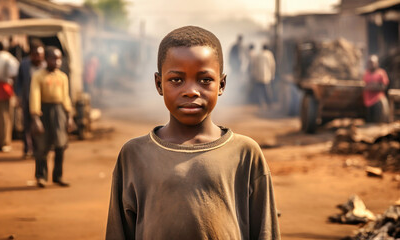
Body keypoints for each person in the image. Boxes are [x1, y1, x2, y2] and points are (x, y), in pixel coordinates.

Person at [106, 26, 281, 239]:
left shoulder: (246, 153)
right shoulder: (134, 154)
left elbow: (265, 231)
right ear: (159, 84)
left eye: (205, 80)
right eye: (176, 80)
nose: (191, 91)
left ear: (222, 84)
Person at [29, 46, 74, 188]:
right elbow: (34, 96)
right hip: (43, 112)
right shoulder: (38, 76)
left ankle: (58, 176)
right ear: (46, 59)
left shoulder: (62, 77)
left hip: (59, 112)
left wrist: (69, 116)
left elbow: (66, 97)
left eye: (59, 59)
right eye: (54, 58)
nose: (57, 62)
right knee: (42, 147)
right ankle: (41, 176)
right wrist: (36, 118)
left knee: (60, 145)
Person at [15, 39, 46, 159]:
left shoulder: (45, 66)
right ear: (31, 54)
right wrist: (18, 97)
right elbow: (19, 82)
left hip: (42, 102)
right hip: (27, 100)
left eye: (40, 54)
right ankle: (28, 149)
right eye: (35, 54)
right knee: (27, 126)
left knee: (42, 126)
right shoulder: (24, 65)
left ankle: (41, 148)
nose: (38, 57)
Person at [362, 55, 390, 123]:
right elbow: (363, 85)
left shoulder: (381, 73)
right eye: (370, 62)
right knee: (369, 119)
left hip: (378, 99)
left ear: (377, 63)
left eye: (373, 62)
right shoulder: (366, 73)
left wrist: (373, 87)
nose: (371, 64)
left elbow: (384, 86)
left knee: (378, 120)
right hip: (367, 100)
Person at [248, 44, 276, 109]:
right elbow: (272, 65)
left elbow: (255, 66)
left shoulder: (259, 55)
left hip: (259, 76)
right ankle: (269, 104)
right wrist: (272, 75)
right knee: (267, 91)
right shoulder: (269, 55)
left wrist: (254, 75)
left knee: (260, 91)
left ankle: (261, 104)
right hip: (267, 76)